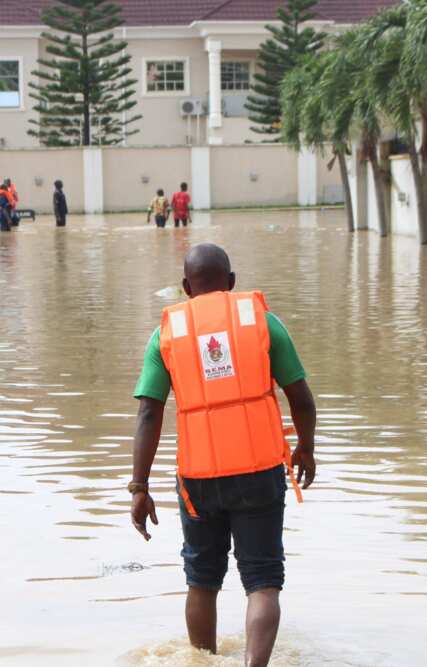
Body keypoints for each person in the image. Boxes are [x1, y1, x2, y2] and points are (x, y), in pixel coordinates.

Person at [129, 243, 317, 667]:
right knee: (263, 583)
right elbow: (301, 397)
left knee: (201, 582)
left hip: (198, 480)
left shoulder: (166, 335)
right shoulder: (264, 323)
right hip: (259, 472)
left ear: (184, 287)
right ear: (231, 283)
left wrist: (139, 487)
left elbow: (148, 412)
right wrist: (305, 447)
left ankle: (203, 662)